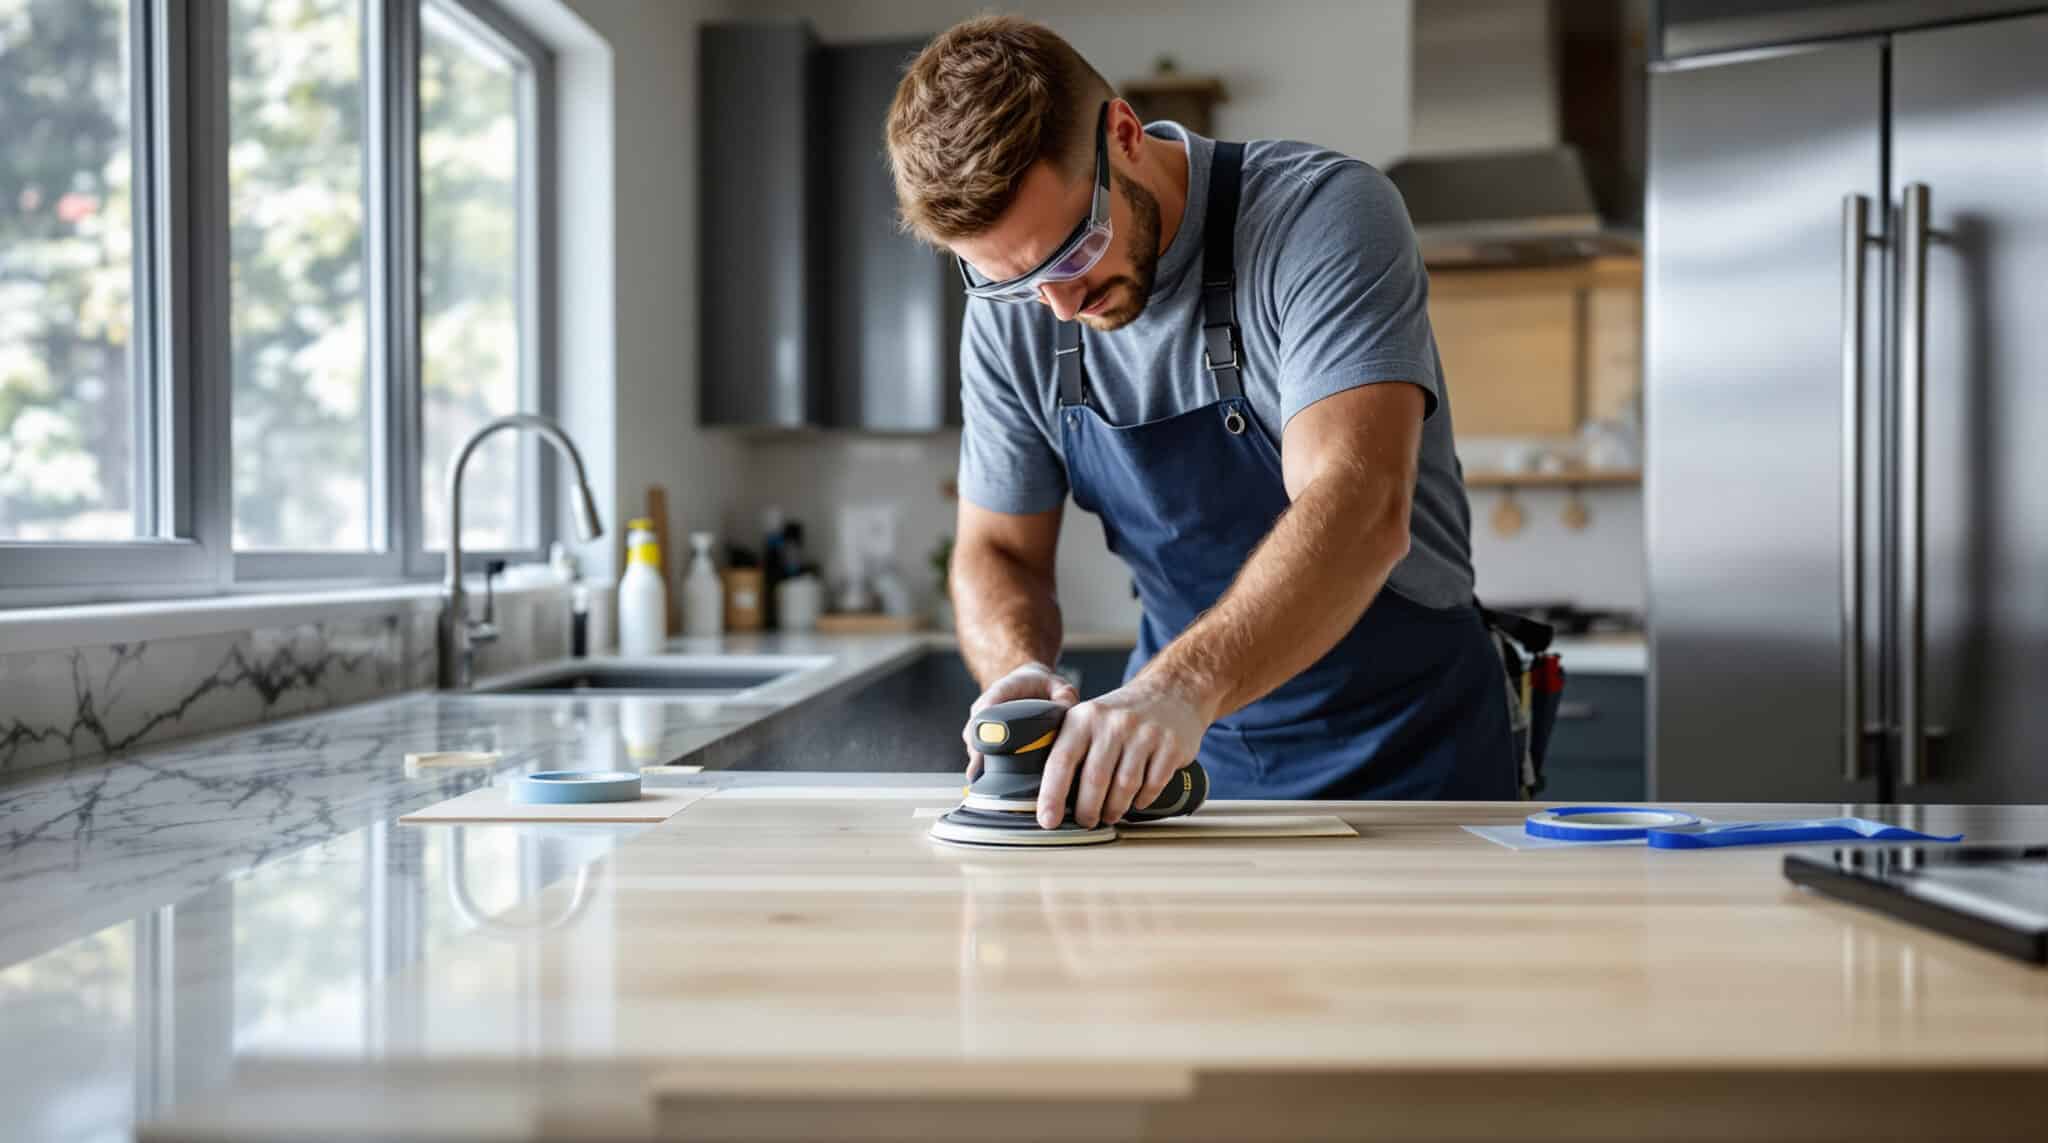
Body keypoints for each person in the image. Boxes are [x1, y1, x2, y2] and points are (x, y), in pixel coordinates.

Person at [885, 16, 1513, 832]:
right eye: (1011, 283)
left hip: (1412, 765)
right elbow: (996, 549)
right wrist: (1020, 669)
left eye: (1074, 251)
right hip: (1183, 777)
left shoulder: (1321, 219)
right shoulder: (1024, 310)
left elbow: (1358, 506)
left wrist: (1181, 689)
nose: (1059, 306)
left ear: (1122, 134)